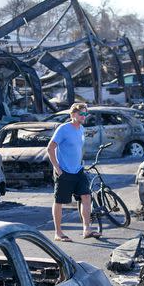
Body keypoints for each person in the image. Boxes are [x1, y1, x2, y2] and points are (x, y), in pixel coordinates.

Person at [47, 102, 101, 242]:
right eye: (80, 113)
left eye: (85, 113)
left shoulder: (81, 129)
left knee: (86, 196)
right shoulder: (63, 129)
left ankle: (86, 229)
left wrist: (81, 162)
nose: (83, 116)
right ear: (72, 114)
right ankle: (58, 233)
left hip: (78, 170)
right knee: (59, 201)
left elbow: (79, 148)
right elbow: (50, 148)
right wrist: (57, 168)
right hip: (64, 171)